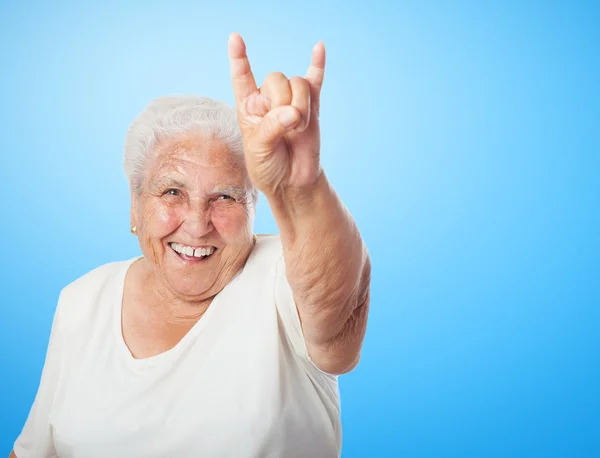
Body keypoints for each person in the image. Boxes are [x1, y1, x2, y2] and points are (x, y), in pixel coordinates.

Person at [10, 33, 371, 458]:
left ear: (254, 207)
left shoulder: (282, 273)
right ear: (135, 205)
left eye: (225, 197)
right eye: (172, 193)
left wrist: (303, 189)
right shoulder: (82, 300)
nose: (198, 225)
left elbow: (339, 330)